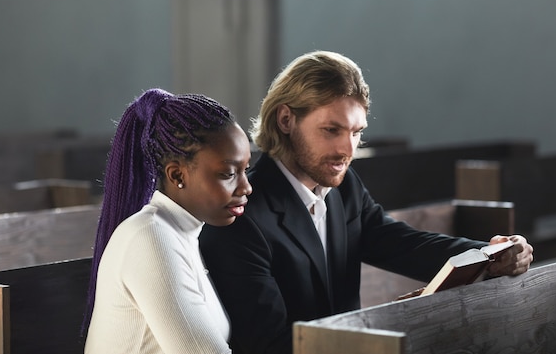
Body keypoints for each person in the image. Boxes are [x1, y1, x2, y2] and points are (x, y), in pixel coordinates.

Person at [199, 50, 534, 354]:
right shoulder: (239, 217)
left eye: (356, 131)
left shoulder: (346, 189)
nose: (348, 149)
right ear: (286, 120)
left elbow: (401, 243)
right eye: (332, 130)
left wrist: (492, 255)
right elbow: (269, 345)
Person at [83, 88, 252, 354]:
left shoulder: (177, 231)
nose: (246, 187)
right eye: (228, 173)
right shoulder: (151, 238)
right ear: (177, 175)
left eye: (245, 170)